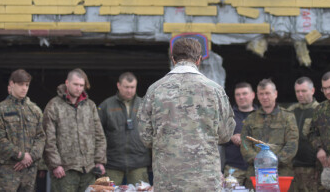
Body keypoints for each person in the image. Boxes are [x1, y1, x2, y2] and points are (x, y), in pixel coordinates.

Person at [137, 37, 235, 191]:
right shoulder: (215, 90)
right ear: (199, 60)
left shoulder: (155, 90)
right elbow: (225, 135)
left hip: (168, 179)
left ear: (173, 59)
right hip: (205, 180)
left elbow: (146, 137)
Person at [43, 68, 107, 192]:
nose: (78, 88)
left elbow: (99, 135)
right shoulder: (54, 106)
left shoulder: (90, 106)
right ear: (67, 83)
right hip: (65, 170)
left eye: (81, 85)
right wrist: (55, 164)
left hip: (88, 169)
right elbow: (48, 138)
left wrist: (99, 161)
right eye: (75, 84)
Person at [0, 69, 46, 192]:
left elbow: (41, 137)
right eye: (20, 84)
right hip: (8, 170)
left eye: (27, 85)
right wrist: (20, 155)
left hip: (29, 171)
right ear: (11, 84)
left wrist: (30, 157)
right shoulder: (0, 110)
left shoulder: (34, 110)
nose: (24, 88)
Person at [241, 79, 299, 188]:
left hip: (281, 174)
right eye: (261, 94)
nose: (264, 97)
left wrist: (273, 162)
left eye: (267, 93)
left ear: (275, 94)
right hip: (256, 174)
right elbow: (245, 143)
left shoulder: (287, 117)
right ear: (257, 95)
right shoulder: (251, 118)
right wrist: (258, 161)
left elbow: (292, 144)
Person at [98, 72, 151, 185]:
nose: (129, 90)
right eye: (126, 87)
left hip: (139, 162)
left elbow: (152, 132)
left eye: (132, 87)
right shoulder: (106, 105)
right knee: (108, 190)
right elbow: (97, 134)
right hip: (113, 162)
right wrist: (99, 160)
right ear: (118, 85)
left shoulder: (143, 105)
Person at [287, 77, 319, 192]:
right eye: (297, 91)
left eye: (303, 91)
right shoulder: (291, 111)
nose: (300, 94)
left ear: (312, 90)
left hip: (312, 168)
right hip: (291, 167)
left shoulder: (319, 110)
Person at [223, 82, 257, 186]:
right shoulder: (227, 115)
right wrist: (231, 138)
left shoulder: (262, 116)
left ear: (253, 95)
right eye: (238, 94)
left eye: (244, 93)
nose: (241, 97)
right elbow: (216, 137)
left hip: (256, 168)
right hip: (233, 168)